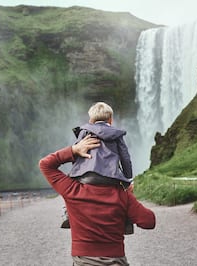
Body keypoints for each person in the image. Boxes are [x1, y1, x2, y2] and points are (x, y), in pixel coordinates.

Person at [39, 134, 156, 265]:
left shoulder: (72, 189)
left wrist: (74, 150)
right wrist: (130, 197)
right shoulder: (122, 195)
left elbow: (45, 164)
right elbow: (149, 221)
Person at [64, 102, 134, 233]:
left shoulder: (84, 131)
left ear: (91, 120)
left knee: (68, 188)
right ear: (111, 120)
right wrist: (129, 179)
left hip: (87, 177)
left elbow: (77, 152)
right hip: (111, 177)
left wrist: (76, 172)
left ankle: (69, 214)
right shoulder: (117, 135)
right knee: (126, 194)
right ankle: (126, 222)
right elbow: (125, 158)